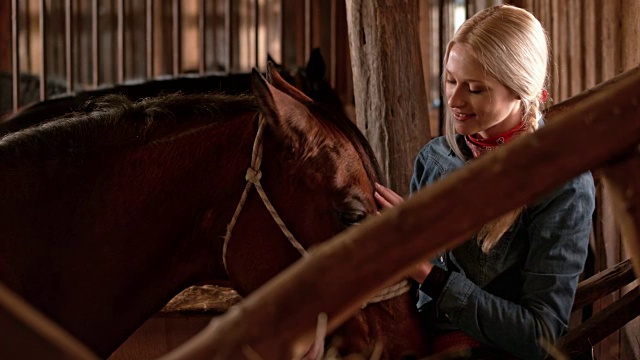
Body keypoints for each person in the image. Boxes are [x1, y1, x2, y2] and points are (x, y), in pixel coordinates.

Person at [374, 5, 595, 360]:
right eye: (450, 80)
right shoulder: (434, 159)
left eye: (475, 89)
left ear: (520, 90)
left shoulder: (563, 184)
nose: (455, 100)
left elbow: (540, 335)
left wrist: (427, 273)